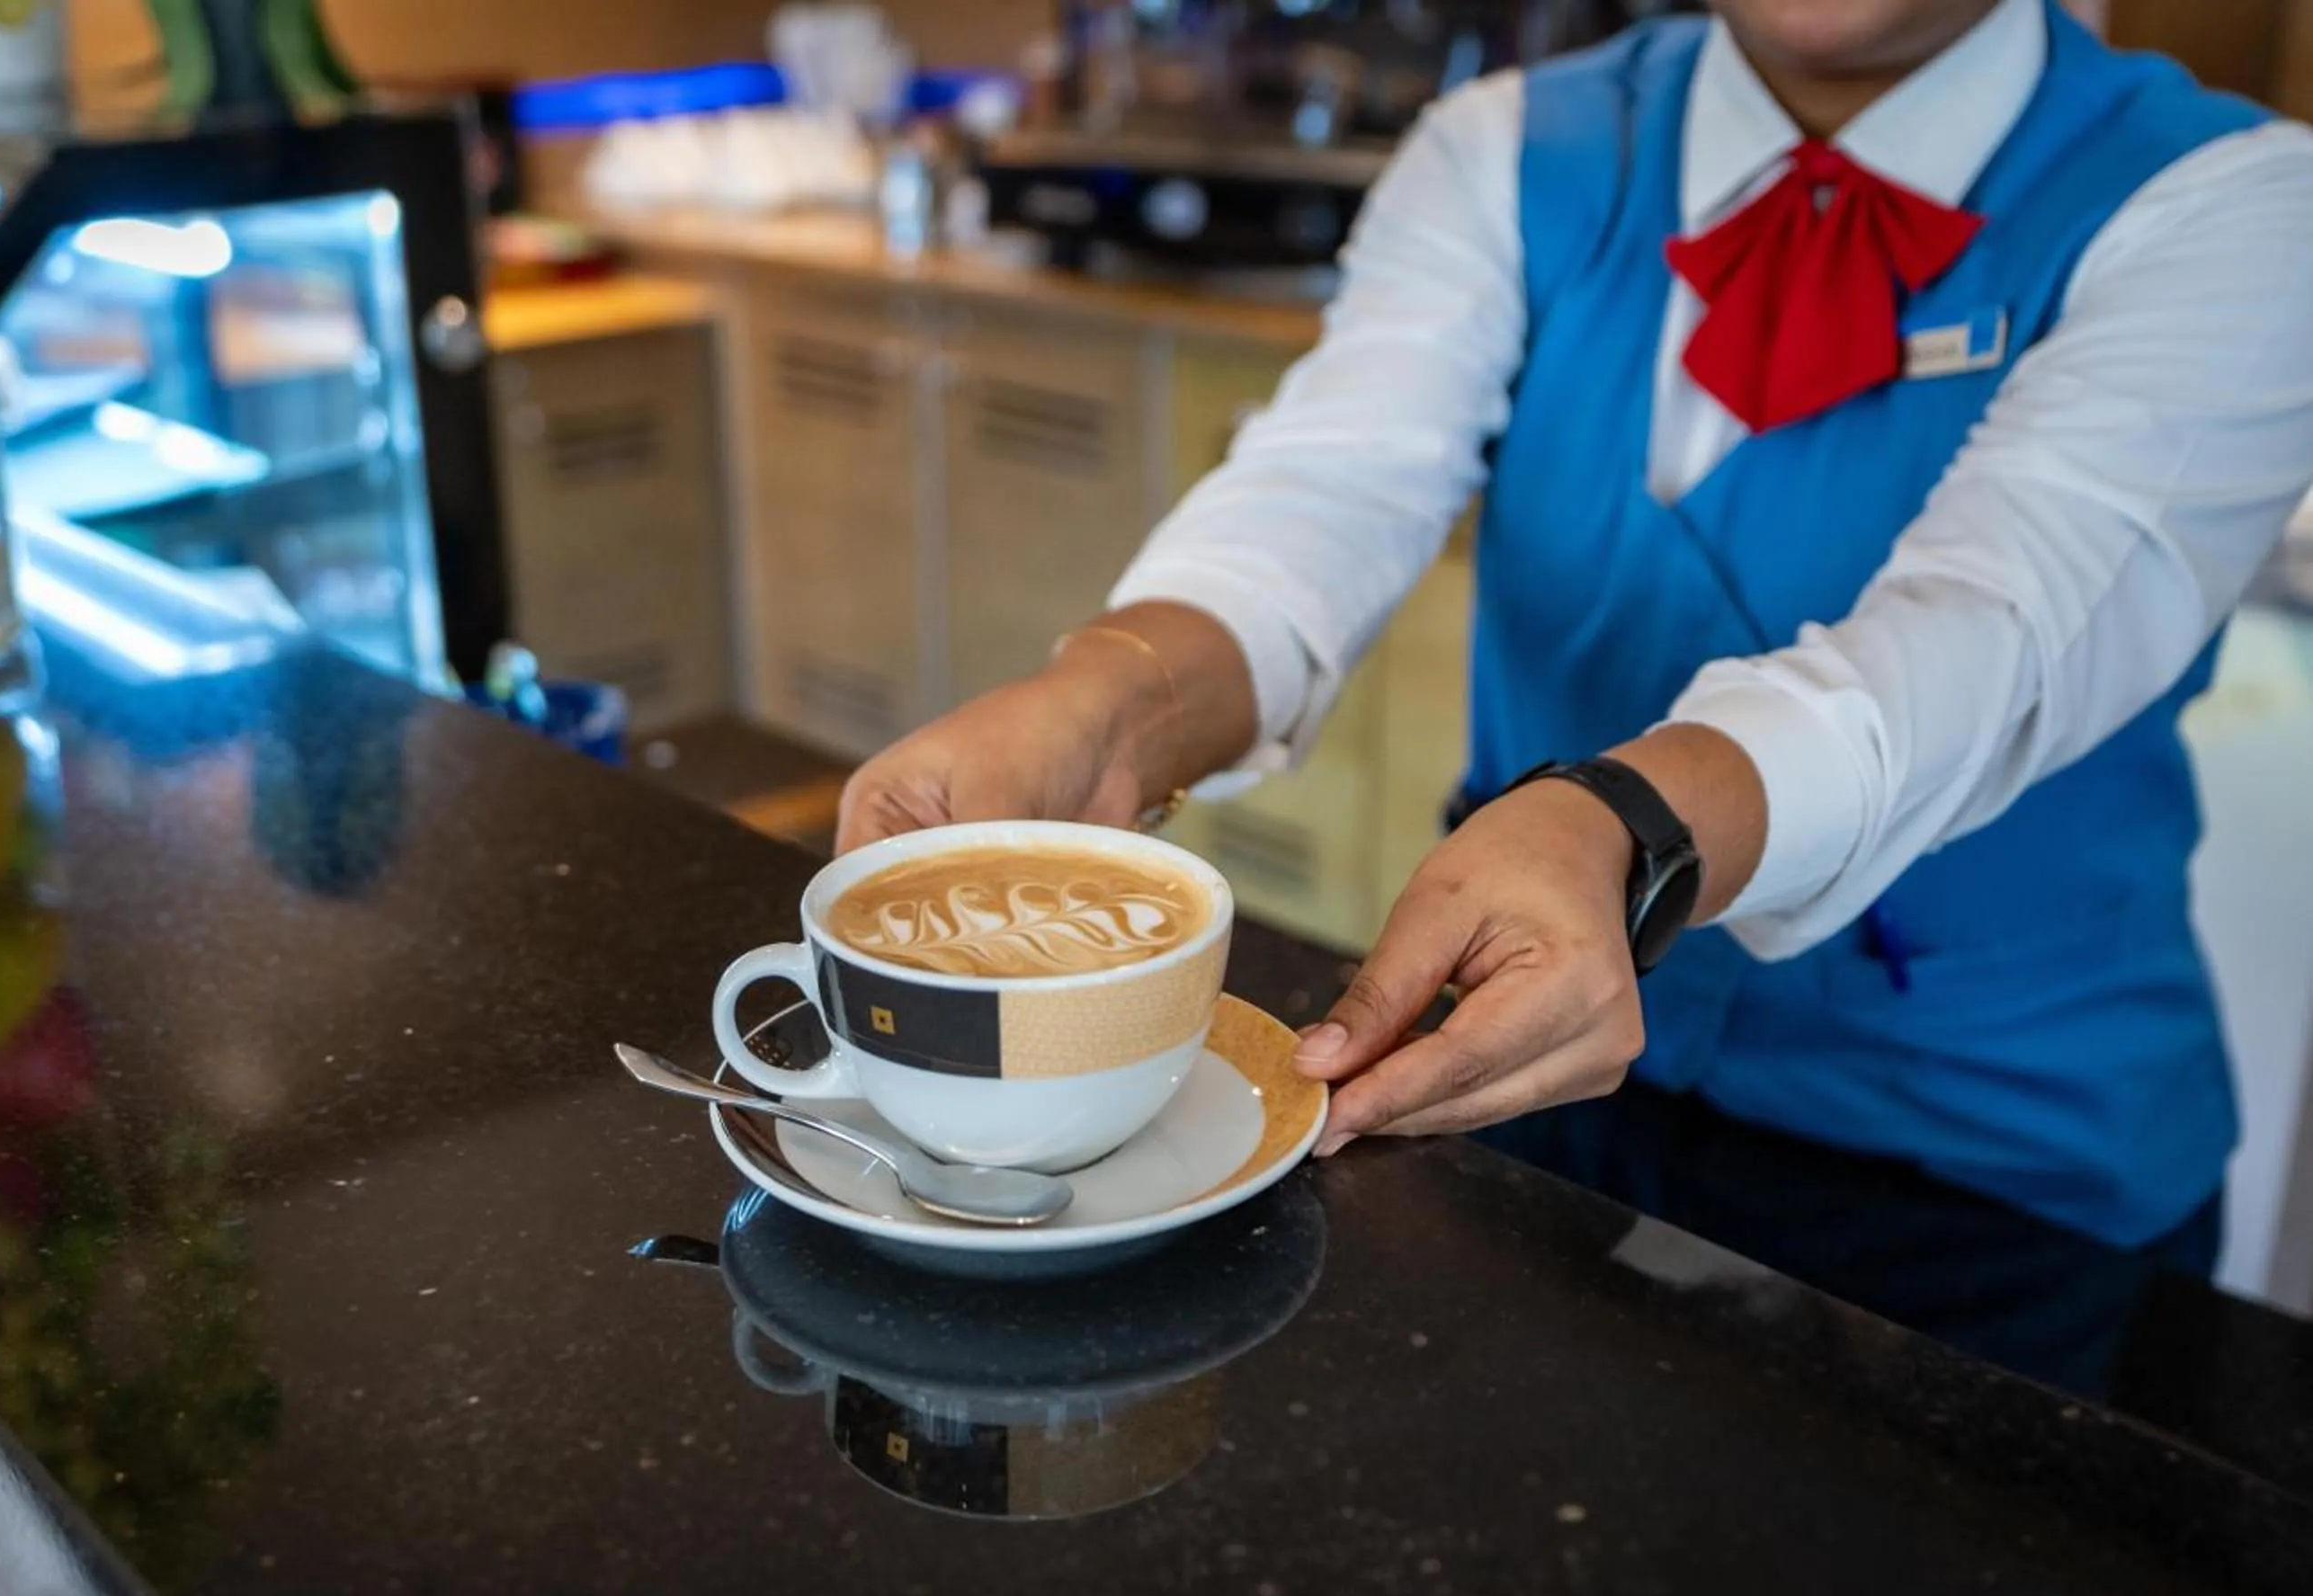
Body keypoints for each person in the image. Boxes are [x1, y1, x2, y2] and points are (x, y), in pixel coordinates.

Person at [835, 0, 2313, 1371]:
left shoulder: (2236, 206)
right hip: (1516, 1108)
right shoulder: (1507, 146)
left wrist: (1622, 825)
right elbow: (1329, 491)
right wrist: (1111, 695)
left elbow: (1990, 633)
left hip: (1998, 1191)